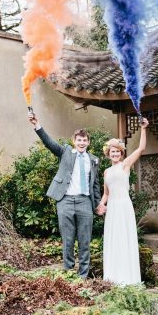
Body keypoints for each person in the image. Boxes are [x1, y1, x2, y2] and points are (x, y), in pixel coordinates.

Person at [29, 111, 101, 279]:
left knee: (85, 240)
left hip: (85, 202)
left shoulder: (94, 160)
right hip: (66, 200)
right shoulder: (65, 152)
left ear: (88, 142)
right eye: (79, 140)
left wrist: (97, 204)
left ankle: (83, 275)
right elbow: (49, 143)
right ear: (73, 141)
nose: (82, 142)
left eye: (84, 140)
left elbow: (95, 184)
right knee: (67, 239)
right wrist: (37, 125)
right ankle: (68, 273)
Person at [97, 118, 149, 285]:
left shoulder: (125, 165)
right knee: (114, 241)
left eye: (117, 151)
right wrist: (101, 204)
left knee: (125, 239)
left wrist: (143, 129)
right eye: (112, 152)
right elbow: (106, 193)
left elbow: (141, 148)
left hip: (124, 206)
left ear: (121, 153)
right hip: (112, 209)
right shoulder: (106, 172)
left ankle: (128, 279)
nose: (115, 154)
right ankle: (114, 278)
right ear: (108, 153)